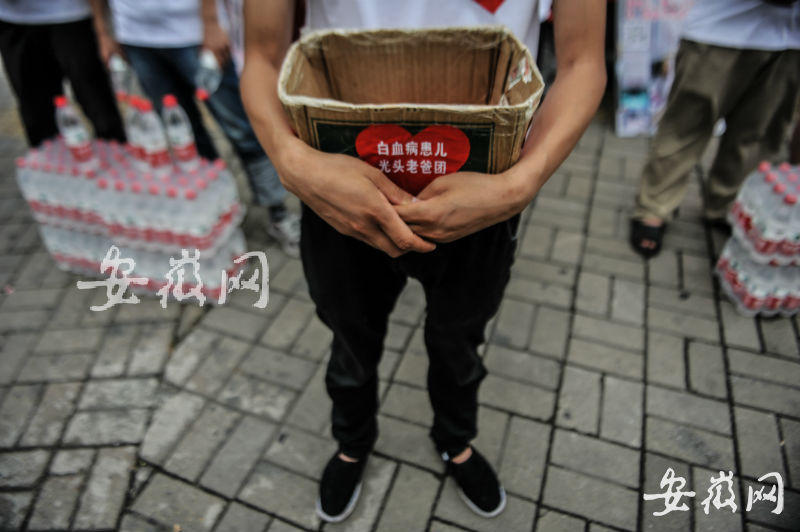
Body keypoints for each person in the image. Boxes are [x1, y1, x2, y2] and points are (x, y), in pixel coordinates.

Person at [241, 0, 606, 522]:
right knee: (349, 338)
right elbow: (260, 53)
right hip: (338, 180)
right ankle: (352, 440)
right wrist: (290, 158)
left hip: (480, 184)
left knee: (459, 339)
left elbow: (582, 61)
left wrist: (521, 184)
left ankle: (455, 439)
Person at [88, 0, 301, 256]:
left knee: (241, 128)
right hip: (135, 36)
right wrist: (103, 32)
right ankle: (220, 215)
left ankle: (278, 212)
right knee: (185, 138)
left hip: (193, 32)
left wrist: (211, 23)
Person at [630, 0, 800, 258]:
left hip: (790, 40)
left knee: (758, 135)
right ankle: (654, 207)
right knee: (684, 128)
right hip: (720, 28)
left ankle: (725, 203)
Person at [0, 0, 125, 147]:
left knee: (97, 103)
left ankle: (116, 157)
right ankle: (47, 162)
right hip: (13, 20)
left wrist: (102, 31)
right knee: (35, 113)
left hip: (72, 16)